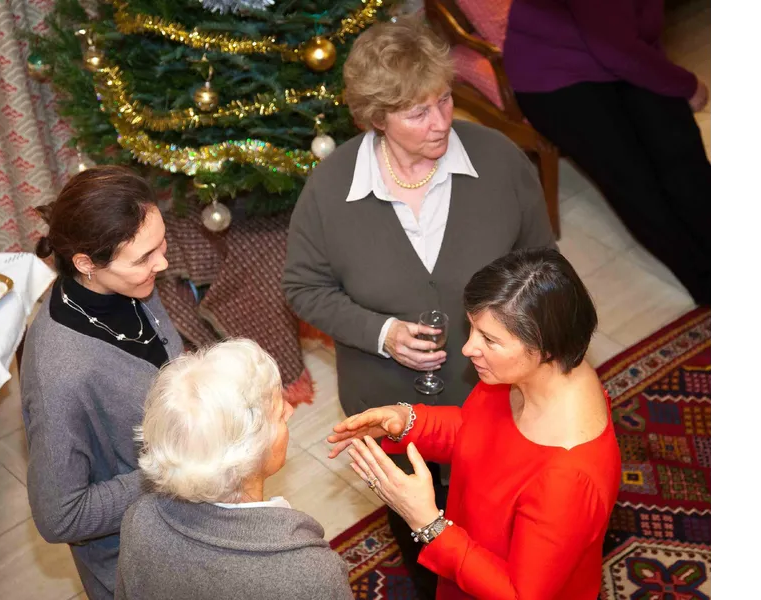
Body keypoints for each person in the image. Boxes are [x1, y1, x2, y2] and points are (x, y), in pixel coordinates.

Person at [281, 15, 556, 595]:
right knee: (418, 528)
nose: (441, 123)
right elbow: (304, 289)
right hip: (389, 409)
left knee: (505, 525)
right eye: (418, 113)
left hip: (497, 400)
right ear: (377, 118)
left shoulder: (498, 160)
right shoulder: (330, 191)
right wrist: (380, 333)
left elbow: (544, 265)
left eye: (444, 101)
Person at [327, 247, 622, 599]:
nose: (468, 349)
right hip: (467, 557)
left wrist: (429, 525)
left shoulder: (569, 481)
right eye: (473, 329)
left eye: (489, 340)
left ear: (544, 347)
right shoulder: (529, 373)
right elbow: (478, 431)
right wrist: (408, 421)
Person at [19, 165, 182, 599]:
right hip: (143, 567)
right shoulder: (61, 375)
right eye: (144, 258)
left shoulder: (126, 284)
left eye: (160, 244)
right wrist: (173, 471)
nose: (162, 264)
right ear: (86, 263)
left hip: (185, 525)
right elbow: (60, 516)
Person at [503, 0, 713, 305]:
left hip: (620, 52)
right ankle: (703, 279)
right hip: (556, 75)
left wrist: (666, 78)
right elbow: (615, 49)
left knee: (680, 147)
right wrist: (688, 85)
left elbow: (637, 29)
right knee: (635, 182)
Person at [117, 338, 353, 600]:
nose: (289, 411)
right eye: (277, 412)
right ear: (247, 454)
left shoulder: (139, 519)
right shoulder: (311, 574)